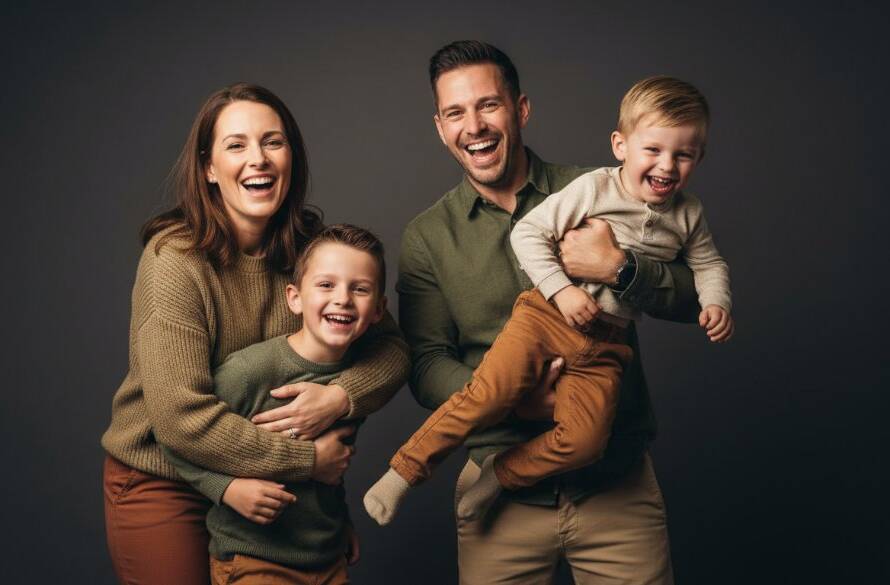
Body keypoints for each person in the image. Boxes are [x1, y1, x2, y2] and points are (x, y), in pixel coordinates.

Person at [386, 41, 703, 584]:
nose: (475, 126)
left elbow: (697, 297)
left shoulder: (607, 187)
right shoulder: (427, 237)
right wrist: (511, 397)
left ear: (520, 109)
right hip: (497, 503)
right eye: (456, 112)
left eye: (489, 105)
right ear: (440, 127)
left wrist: (620, 268)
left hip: (616, 489)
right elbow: (425, 362)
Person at [101, 83, 409, 585]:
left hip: (271, 486)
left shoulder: (314, 254)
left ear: (293, 157)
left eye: (273, 142)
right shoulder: (174, 261)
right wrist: (309, 461)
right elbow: (181, 420)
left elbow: (393, 351)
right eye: (236, 145)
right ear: (208, 168)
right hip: (164, 476)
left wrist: (338, 399)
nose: (258, 160)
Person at [161, 224, 389, 585]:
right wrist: (227, 488)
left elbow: (333, 465)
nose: (343, 299)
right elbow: (176, 440)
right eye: (326, 285)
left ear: (378, 310)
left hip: (327, 556)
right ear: (294, 298)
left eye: (359, 289)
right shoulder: (252, 370)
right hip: (255, 557)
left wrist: (339, 520)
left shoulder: (355, 378)